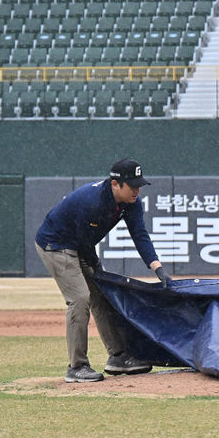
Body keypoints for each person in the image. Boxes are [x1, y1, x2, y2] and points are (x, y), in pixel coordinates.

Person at [35, 158, 174, 383]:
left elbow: (140, 235)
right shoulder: (93, 201)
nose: (137, 190)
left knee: (103, 296)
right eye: (132, 185)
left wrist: (158, 268)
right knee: (80, 298)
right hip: (56, 244)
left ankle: (118, 357)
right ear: (115, 184)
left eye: (139, 185)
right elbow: (83, 243)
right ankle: (76, 366)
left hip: (81, 244)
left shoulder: (131, 202)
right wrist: (96, 269)